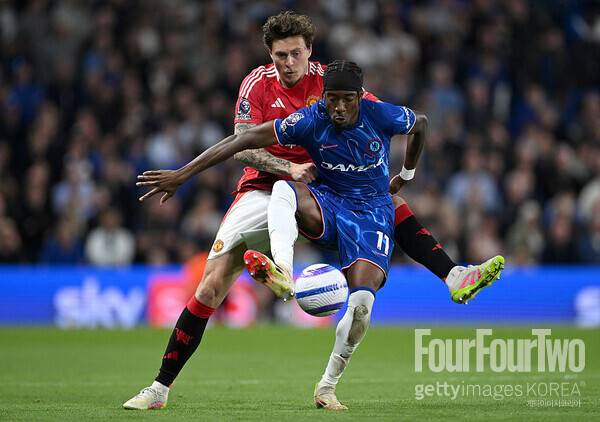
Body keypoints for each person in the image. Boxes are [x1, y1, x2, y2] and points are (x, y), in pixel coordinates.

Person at [123, 11, 502, 410]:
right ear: (270, 55)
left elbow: (371, 117)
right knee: (210, 286)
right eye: (280, 55)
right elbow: (242, 144)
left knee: (386, 203)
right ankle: (159, 388)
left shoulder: (331, 83)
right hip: (263, 186)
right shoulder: (257, 84)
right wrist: (197, 173)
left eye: (295, 54)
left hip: (325, 190)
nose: (288, 63)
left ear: (309, 51)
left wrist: (395, 173)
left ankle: (452, 274)